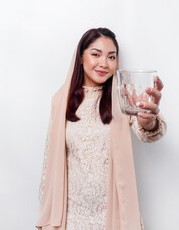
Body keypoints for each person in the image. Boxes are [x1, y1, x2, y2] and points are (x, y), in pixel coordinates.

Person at [35, 28, 167, 230]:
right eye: (96, 54)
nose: (104, 63)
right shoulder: (61, 101)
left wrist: (148, 122)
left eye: (111, 57)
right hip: (71, 218)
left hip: (114, 215)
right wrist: (48, 213)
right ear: (80, 57)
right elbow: (49, 162)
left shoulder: (124, 95)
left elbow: (147, 133)